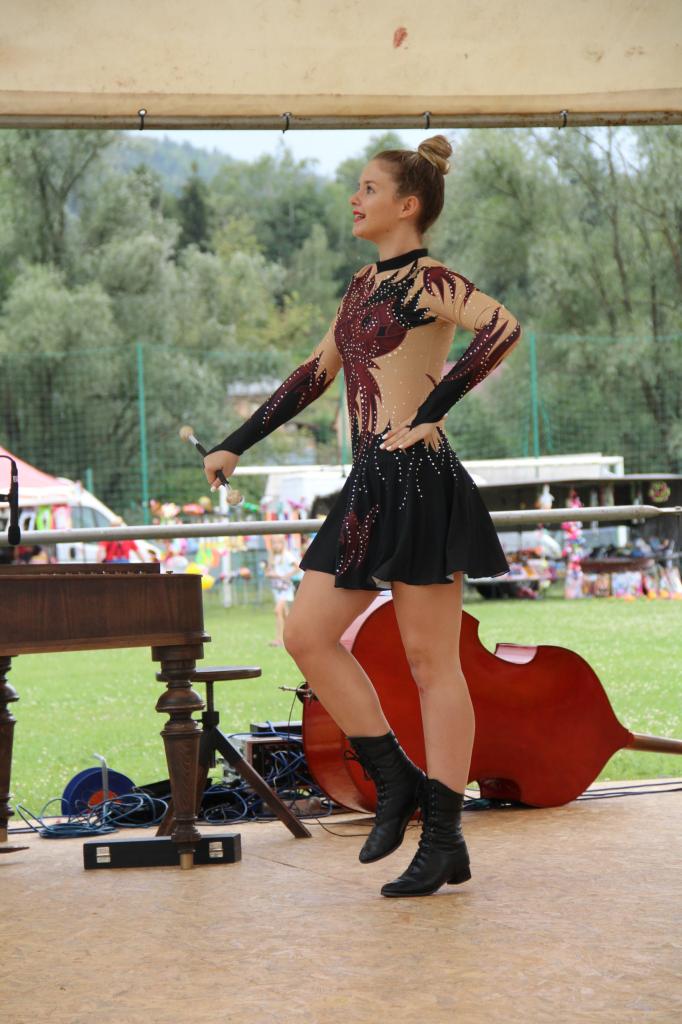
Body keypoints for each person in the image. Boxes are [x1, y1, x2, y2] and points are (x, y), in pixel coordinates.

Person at [204, 135, 522, 898]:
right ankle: (396, 778)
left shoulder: (431, 280)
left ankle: (443, 836)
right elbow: (314, 374)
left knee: (430, 663)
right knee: (307, 635)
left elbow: (504, 329)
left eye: (369, 188)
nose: (355, 198)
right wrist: (236, 442)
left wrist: (434, 408)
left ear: (407, 206)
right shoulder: (360, 286)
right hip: (369, 482)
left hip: (421, 480)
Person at [264, 535, 300, 646]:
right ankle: (293, 636)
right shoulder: (273, 557)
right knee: (285, 614)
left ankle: (279, 639)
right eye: (274, 543)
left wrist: (285, 576)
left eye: (278, 543)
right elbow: (268, 572)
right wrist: (270, 574)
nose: (276, 545)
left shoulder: (287, 555)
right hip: (277, 588)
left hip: (285, 588)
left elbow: (297, 567)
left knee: (277, 611)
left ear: (283, 543)